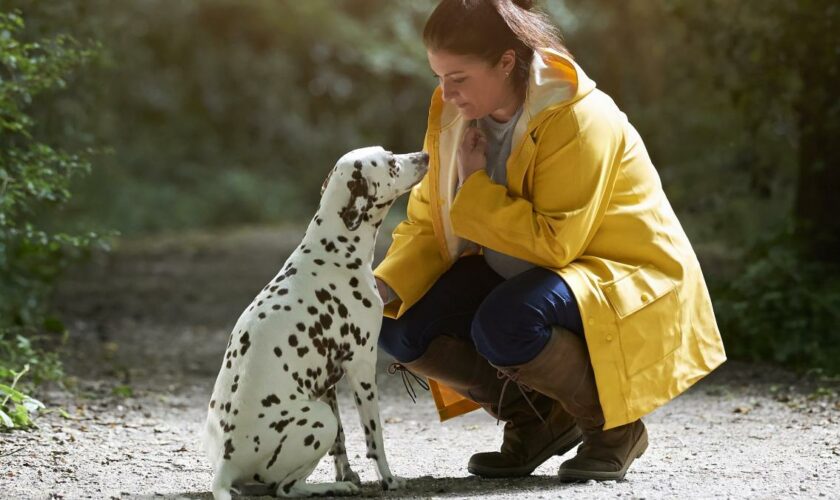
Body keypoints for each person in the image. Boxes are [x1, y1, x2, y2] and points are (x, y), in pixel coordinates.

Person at [372, 0, 726, 483]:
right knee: (399, 324)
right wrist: (383, 287)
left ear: (505, 62)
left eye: (458, 77)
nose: (446, 92)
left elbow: (558, 243)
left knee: (507, 322)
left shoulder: (579, 116)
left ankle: (614, 427)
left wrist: (474, 186)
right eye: (438, 77)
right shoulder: (454, 114)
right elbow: (429, 219)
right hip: (524, 270)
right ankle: (540, 421)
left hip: (614, 270)